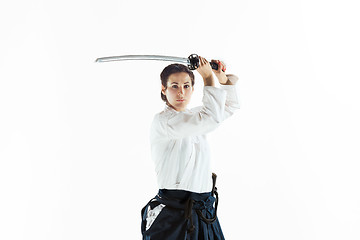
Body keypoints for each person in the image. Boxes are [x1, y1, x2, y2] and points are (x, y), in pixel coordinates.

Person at [141, 56, 240, 240]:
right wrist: (208, 78)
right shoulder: (164, 122)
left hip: (203, 213)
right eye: (174, 86)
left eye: (186, 86)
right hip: (174, 214)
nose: (181, 93)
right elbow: (212, 118)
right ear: (164, 89)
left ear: (193, 89)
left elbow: (230, 105)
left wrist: (221, 78)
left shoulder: (194, 118)